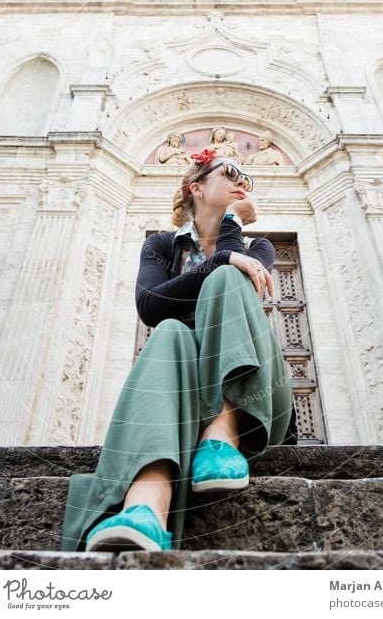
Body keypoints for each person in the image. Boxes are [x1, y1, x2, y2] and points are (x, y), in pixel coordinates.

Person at [61, 147, 296, 553]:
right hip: (182, 393)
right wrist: (224, 253)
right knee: (169, 330)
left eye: (248, 181)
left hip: (256, 401)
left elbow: (227, 269)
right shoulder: (162, 247)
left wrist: (232, 225)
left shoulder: (261, 250)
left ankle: (222, 436)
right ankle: (146, 509)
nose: (243, 182)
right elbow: (150, 307)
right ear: (197, 188)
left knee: (225, 279)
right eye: (233, 173)